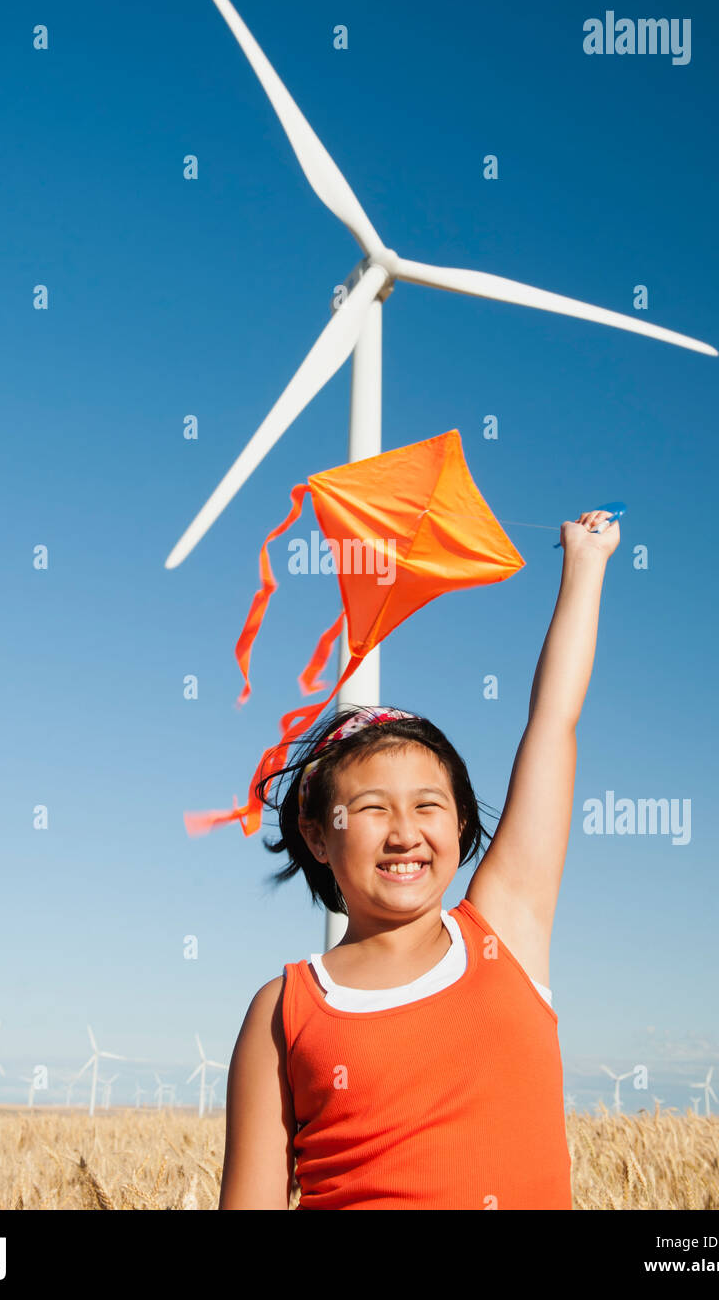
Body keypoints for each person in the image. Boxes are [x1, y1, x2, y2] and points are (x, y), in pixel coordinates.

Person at [218, 508, 620, 1209]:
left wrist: (584, 566)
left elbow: (554, 721)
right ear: (319, 835)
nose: (404, 832)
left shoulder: (506, 931)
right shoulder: (283, 1010)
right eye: (372, 809)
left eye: (428, 806)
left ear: (462, 823)